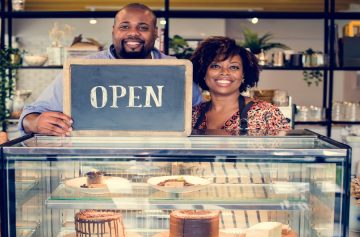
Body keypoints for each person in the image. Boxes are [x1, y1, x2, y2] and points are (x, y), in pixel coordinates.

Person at [19, 3, 202, 136]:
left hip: (161, 166)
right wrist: (35, 122)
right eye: (125, 27)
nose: (133, 33)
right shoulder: (82, 70)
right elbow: (32, 113)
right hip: (96, 166)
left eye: (143, 27)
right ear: (114, 31)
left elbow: (200, 118)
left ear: (155, 33)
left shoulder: (177, 71)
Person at [190, 36, 290, 135]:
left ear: (243, 75)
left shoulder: (266, 113)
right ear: (203, 72)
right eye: (215, 66)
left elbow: (285, 149)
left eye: (234, 67)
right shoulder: (192, 115)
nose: (225, 72)